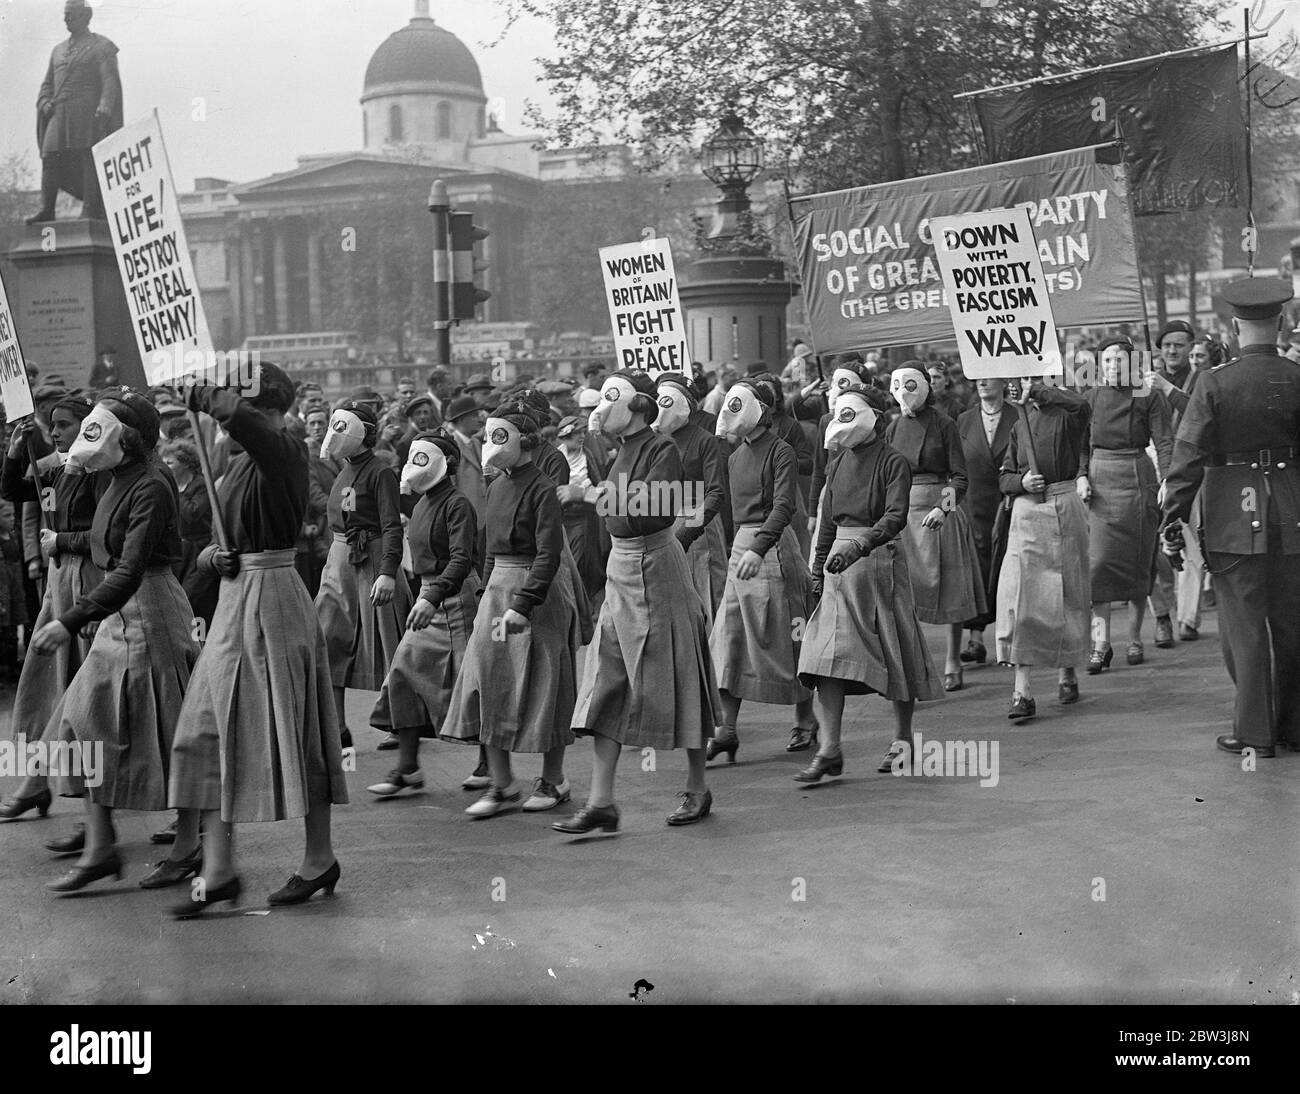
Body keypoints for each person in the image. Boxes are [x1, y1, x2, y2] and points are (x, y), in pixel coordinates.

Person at [167, 363, 347, 914]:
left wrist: (207, 397)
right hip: (234, 598)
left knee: (298, 732)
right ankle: (219, 869)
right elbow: (230, 532)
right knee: (201, 734)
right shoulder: (240, 462)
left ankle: (319, 858)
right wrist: (212, 556)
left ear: (260, 405)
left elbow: (249, 427)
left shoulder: (285, 449)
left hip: (274, 601)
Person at [33, 390, 199, 892]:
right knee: (79, 722)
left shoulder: (150, 485)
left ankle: (189, 846)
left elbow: (130, 566)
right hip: (120, 616)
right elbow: (103, 546)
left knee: (171, 734)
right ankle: (101, 847)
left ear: (124, 439)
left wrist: (73, 617)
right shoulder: (117, 478)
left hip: (152, 613)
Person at [557, 370, 722, 832]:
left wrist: (588, 494)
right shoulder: (621, 452)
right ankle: (601, 801)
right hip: (621, 572)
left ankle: (696, 786)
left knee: (680, 673)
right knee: (607, 679)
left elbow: (653, 507)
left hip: (656, 568)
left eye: (613, 397)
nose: (603, 407)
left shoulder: (660, 449)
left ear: (638, 406)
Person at [1162, 277, 1300, 758]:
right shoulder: (1298, 376)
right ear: (1280, 323)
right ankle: (1295, 727)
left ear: (1235, 327)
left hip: (1232, 520)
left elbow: (1187, 457)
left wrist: (1171, 520)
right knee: (1293, 625)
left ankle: (1255, 734)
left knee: (1243, 628)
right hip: (1294, 516)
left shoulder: (1214, 382)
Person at [440, 399, 579, 815]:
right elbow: (489, 545)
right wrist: (486, 592)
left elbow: (548, 553)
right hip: (497, 590)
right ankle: (501, 784)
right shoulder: (496, 484)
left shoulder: (541, 489)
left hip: (536, 597)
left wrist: (524, 601)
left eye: (500, 435)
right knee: (488, 677)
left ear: (525, 440)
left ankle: (554, 780)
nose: (491, 443)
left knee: (546, 685)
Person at [795, 388, 942, 781]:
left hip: (878, 563)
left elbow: (895, 516)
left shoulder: (894, 463)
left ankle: (902, 740)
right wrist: (817, 568)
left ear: (872, 417)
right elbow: (827, 519)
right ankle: (830, 748)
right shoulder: (838, 463)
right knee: (824, 657)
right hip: (838, 569)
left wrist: (860, 545)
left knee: (897, 652)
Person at [0, 392, 104, 826]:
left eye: (64, 424)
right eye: (52, 424)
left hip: (89, 585)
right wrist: (14, 450)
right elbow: (14, 489)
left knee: (79, 693)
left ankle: (43, 782)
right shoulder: (56, 468)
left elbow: (105, 536)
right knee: (41, 685)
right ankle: (38, 777)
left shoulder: (100, 472)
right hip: (57, 586)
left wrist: (61, 542)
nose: (57, 432)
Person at [707, 380, 817, 761]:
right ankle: (726, 729)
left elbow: (784, 506)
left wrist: (757, 547)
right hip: (743, 550)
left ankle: (806, 720)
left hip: (773, 550)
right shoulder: (735, 457)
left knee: (790, 636)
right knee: (728, 637)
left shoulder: (781, 451)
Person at [369, 435, 480, 796]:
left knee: (470, 682)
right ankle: (408, 767)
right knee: (404, 670)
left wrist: (433, 596)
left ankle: (492, 766)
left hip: (455, 600)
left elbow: (461, 560)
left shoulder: (457, 504)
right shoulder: (422, 504)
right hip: (428, 597)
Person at [315, 400, 413, 751]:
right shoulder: (342, 472)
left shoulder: (381, 471)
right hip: (340, 562)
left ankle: (402, 721)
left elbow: (391, 525)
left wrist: (387, 572)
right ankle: (338, 728)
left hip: (371, 560)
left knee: (389, 642)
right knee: (328, 638)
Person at [886, 365, 988, 694]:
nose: (905, 391)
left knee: (950, 587)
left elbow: (959, 477)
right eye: (899, 385)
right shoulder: (892, 427)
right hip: (902, 514)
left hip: (937, 513)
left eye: (912, 385)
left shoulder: (944, 424)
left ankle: (952, 660)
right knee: (903, 592)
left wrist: (943, 508)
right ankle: (915, 661)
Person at [996, 378, 1091, 719]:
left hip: (1064, 504)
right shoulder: (1018, 424)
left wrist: (1036, 391)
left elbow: (1081, 405)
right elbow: (1004, 474)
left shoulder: (1067, 414)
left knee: (1067, 594)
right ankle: (1022, 689)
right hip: (1027, 512)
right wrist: (1019, 482)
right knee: (1022, 598)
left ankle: (1067, 669)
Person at [1081, 338, 1173, 672]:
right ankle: (1100, 643)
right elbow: (1080, 444)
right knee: (1098, 567)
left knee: (1138, 563)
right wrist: (1081, 476)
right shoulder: (1090, 398)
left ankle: (1134, 638)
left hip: (1138, 477)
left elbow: (1164, 441)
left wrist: (1167, 481)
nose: (1112, 367)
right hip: (1100, 478)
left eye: (1119, 360)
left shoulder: (1148, 395)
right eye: (1106, 361)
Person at [27, 0, 123, 224]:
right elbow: (47, 84)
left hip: (86, 111)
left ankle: (90, 208)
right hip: (59, 114)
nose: (66, 19)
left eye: (71, 14)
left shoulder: (101, 46)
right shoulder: (57, 50)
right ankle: (47, 210)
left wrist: (105, 105)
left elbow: (109, 80)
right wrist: (44, 102)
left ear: (86, 16)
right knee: (49, 157)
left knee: (86, 157)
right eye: (65, 15)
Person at [652, 372, 727, 625]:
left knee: (705, 593)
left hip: (698, 526)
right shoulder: (654, 441)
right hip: (662, 524)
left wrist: (688, 529)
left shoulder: (704, 440)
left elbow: (715, 492)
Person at [1146, 320, 1202, 645]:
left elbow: (1198, 415)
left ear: (1191, 347)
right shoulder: (1146, 380)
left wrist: (1168, 390)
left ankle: (1188, 617)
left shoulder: (1201, 379)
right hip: (1152, 464)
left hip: (1189, 466)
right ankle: (1162, 615)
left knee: (1190, 539)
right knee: (1154, 548)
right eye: (1167, 345)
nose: (1172, 350)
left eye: (1179, 345)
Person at [956, 377, 1016, 668]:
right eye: (978, 378)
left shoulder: (1020, 416)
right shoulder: (964, 421)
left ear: (1003, 381)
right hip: (973, 505)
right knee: (976, 571)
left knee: (1009, 570)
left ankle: (1010, 640)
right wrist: (947, 506)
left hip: (1010, 504)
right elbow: (953, 469)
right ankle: (975, 638)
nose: (983, 382)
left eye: (989, 377)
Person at [555, 414, 607, 602]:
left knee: (580, 564)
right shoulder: (556, 457)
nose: (581, 436)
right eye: (577, 433)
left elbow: (602, 490)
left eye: (584, 432)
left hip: (583, 519)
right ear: (565, 435)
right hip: (561, 521)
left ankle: (584, 603)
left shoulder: (587, 456)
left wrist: (583, 492)